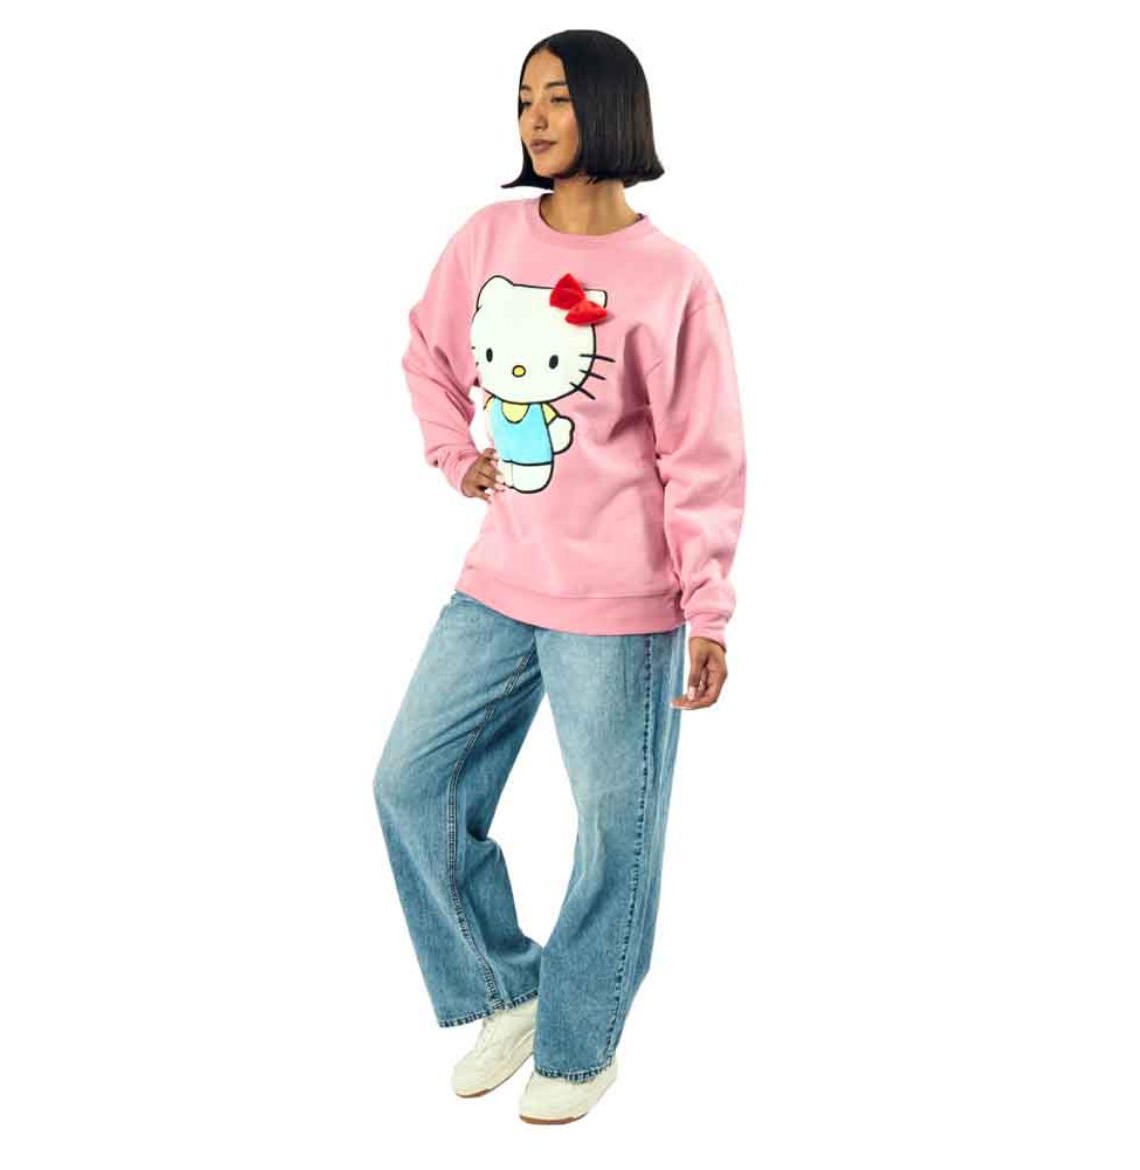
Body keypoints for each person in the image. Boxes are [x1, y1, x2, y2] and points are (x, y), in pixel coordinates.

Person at [373, 29, 747, 1125]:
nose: (534, 119)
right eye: (524, 98)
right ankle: (508, 989)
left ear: (611, 111)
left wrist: (708, 607)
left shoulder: (673, 280)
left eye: (558, 99)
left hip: (623, 605)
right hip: (500, 580)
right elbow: (427, 356)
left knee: (612, 833)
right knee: (409, 783)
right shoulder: (488, 236)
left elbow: (704, 455)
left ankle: (581, 1045)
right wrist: (456, 454)